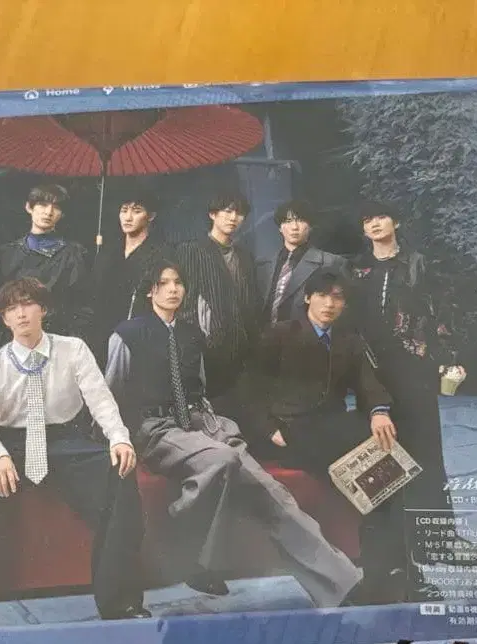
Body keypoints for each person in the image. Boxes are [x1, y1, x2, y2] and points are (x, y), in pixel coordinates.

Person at [104, 262, 361, 608]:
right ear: (151, 291)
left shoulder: (191, 334)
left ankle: (343, 585)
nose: (173, 289)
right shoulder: (127, 334)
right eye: (164, 283)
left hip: (204, 424)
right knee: (222, 458)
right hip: (157, 428)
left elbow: (200, 386)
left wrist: (210, 422)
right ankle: (187, 549)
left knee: (273, 494)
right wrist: (117, 436)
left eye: (179, 282)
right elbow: (111, 391)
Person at [0, 277, 149, 630]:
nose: (21, 314)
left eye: (27, 304)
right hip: (8, 442)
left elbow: (100, 400)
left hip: (63, 440)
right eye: (11, 309)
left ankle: (120, 602)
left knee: (119, 474)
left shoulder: (73, 349)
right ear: (4, 319)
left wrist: (119, 438)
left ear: (43, 309)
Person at [246, 271, 441, 603]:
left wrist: (379, 410)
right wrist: (268, 429)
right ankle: (391, 573)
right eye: (323, 295)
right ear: (308, 297)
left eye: (337, 297)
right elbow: (249, 388)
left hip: (333, 424)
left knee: (392, 466)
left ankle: (392, 572)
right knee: (376, 478)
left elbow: (367, 382)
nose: (329, 304)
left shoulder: (347, 340)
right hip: (291, 429)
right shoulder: (280, 334)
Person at [349, 200, 477, 568]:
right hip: (370, 371)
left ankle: (439, 541)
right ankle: (386, 548)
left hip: (414, 368)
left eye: (381, 216)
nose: (374, 224)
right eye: (367, 219)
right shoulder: (355, 268)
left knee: (426, 453)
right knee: (379, 457)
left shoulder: (418, 263)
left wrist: (448, 356)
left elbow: (440, 312)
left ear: (396, 221)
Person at [175, 191, 258, 414]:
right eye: (227, 211)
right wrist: (197, 338)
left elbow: (251, 301)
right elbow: (186, 301)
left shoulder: (244, 255)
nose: (233, 218)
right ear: (213, 214)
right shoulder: (192, 249)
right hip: (208, 347)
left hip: (241, 347)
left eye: (239, 213)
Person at [0, 184, 92, 349]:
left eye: (56, 207)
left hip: (56, 337)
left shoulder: (73, 253)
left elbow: (79, 305)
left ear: (62, 214)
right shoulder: (7, 253)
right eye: (42, 205)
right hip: (12, 338)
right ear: (29, 207)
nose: (48, 212)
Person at [91, 186, 175, 365]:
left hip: (140, 332)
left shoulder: (162, 253)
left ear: (151, 216)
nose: (128, 217)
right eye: (124, 210)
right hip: (102, 331)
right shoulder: (107, 252)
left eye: (136, 211)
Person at [255, 199, 351, 328]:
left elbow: (343, 308)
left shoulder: (331, 262)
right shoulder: (262, 264)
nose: (294, 227)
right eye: (288, 221)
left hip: (307, 336)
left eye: (300, 220)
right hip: (265, 335)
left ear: (310, 226)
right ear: (280, 228)